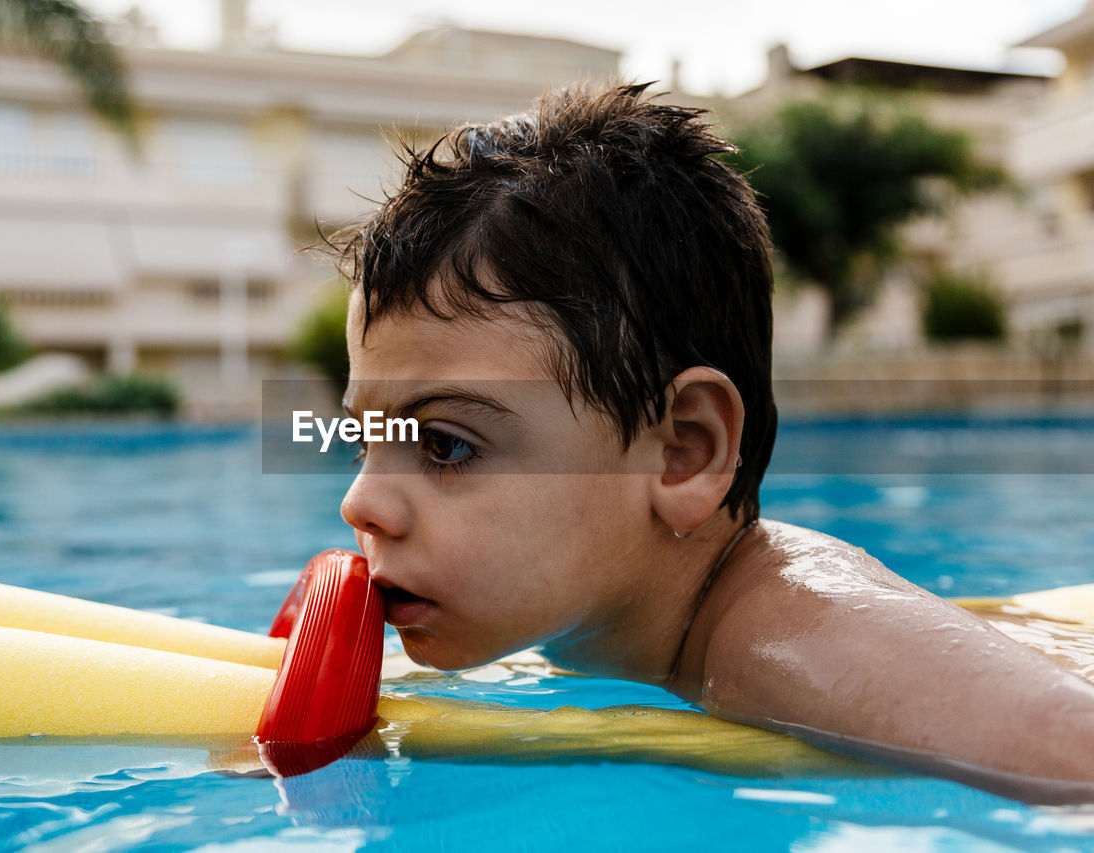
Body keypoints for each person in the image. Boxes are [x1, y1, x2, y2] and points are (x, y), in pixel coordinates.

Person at [325, 82, 1094, 801]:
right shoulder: (593, 621)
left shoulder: (796, 641)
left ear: (682, 449)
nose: (360, 502)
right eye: (364, 441)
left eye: (446, 446)